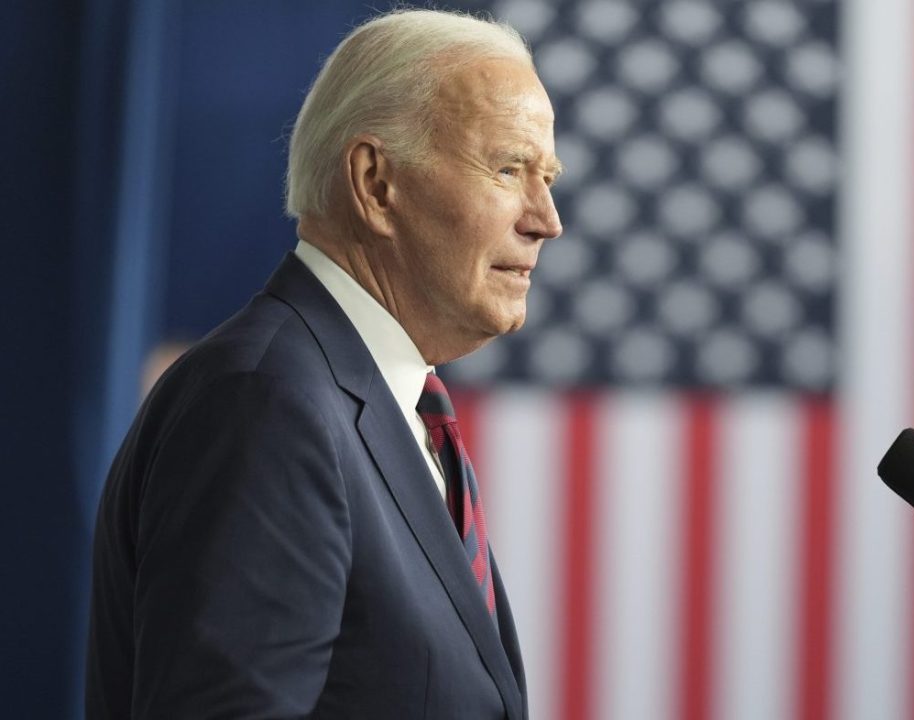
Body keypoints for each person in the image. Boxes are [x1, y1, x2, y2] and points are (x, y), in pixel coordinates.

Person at [86, 9, 562, 718]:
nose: (545, 218)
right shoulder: (266, 405)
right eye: (507, 168)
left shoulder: (373, 405)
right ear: (375, 184)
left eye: (546, 176)